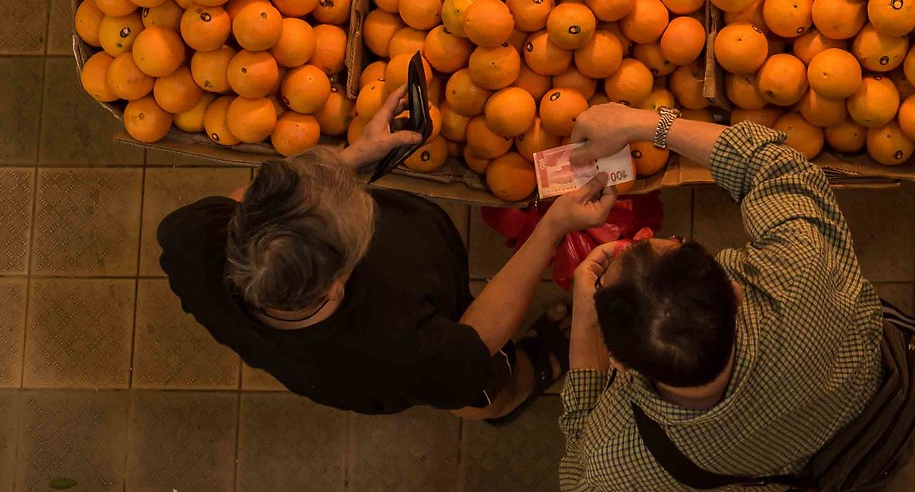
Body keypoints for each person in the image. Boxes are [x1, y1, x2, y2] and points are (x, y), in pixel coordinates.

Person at [551, 104, 915, 492]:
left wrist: (587, 337)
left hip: (805, 472)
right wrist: (643, 123)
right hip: (877, 389)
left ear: (622, 363)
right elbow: (770, 162)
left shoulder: (620, 458)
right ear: (735, 291)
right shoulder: (801, 278)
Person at [156, 91, 617, 419]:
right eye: (359, 209)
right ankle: (516, 389)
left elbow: (259, 196)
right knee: (478, 389)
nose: (351, 185)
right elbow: (474, 341)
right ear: (339, 280)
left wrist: (354, 155)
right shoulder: (393, 350)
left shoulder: (189, 240)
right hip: (442, 358)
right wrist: (553, 226)